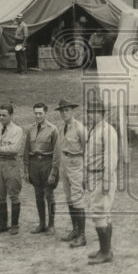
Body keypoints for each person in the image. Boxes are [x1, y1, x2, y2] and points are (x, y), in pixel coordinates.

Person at [85, 100, 119, 264]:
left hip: (102, 176)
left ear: (102, 113)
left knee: (99, 212)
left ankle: (105, 253)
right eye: (89, 111)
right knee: (104, 213)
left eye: (94, 112)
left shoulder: (107, 130)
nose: (90, 115)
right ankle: (105, 249)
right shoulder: (95, 130)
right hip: (93, 175)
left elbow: (110, 158)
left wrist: (106, 180)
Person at [53, 98, 88, 247]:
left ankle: (82, 235)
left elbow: (88, 151)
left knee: (77, 199)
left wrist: (86, 173)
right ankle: (75, 229)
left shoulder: (80, 128)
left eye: (67, 110)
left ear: (72, 111)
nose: (64, 113)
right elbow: (60, 148)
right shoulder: (61, 128)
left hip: (77, 165)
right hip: (65, 164)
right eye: (62, 111)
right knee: (69, 198)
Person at [0, 102, 25, 234]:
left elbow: (14, 149)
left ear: (11, 115)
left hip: (11, 164)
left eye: (4, 115)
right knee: (0, 194)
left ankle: (14, 225)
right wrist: (0, 150)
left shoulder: (17, 130)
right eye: (0, 115)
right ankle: (2, 224)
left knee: (14, 194)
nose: (1, 117)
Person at [24, 102, 59, 234]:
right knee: (38, 195)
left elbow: (57, 153)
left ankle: (51, 225)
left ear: (46, 113)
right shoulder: (31, 129)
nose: (37, 116)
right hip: (34, 166)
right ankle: (42, 224)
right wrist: (26, 170)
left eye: (40, 113)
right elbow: (26, 150)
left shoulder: (53, 129)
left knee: (49, 195)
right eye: (36, 113)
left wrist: (53, 173)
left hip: (47, 164)